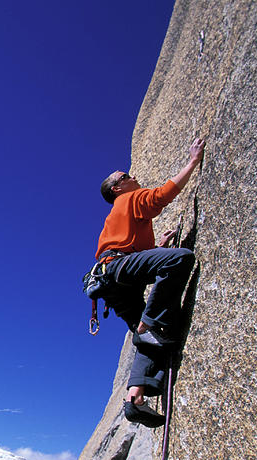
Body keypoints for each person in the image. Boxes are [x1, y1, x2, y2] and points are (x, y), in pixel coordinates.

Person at [94, 137, 205, 428]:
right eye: (126, 177)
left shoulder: (118, 212)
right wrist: (192, 161)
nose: (133, 177)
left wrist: (157, 246)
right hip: (119, 269)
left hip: (111, 280)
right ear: (118, 188)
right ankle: (149, 323)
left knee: (146, 343)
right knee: (179, 259)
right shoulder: (128, 198)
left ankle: (136, 397)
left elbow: (129, 246)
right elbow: (161, 196)